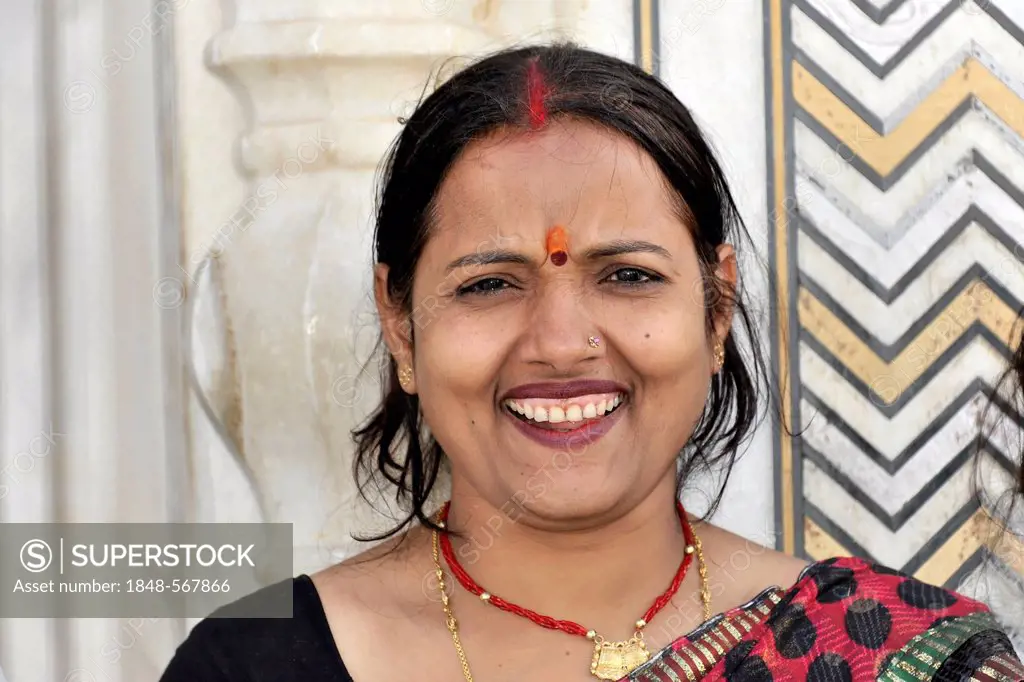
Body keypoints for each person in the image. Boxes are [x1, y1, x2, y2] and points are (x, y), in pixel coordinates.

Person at [159, 43, 1024, 681]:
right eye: (490, 283)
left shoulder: (892, 655)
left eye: (628, 276)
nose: (564, 343)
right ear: (399, 323)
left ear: (716, 305)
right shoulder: (253, 667)